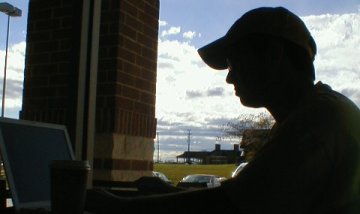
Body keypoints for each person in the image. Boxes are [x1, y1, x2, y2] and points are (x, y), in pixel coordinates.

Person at [85, 7, 360, 214]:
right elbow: (250, 195)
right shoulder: (318, 114)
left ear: (273, 56)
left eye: (234, 62)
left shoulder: (316, 121)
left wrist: (118, 207)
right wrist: (166, 192)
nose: (229, 78)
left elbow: (228, 207)